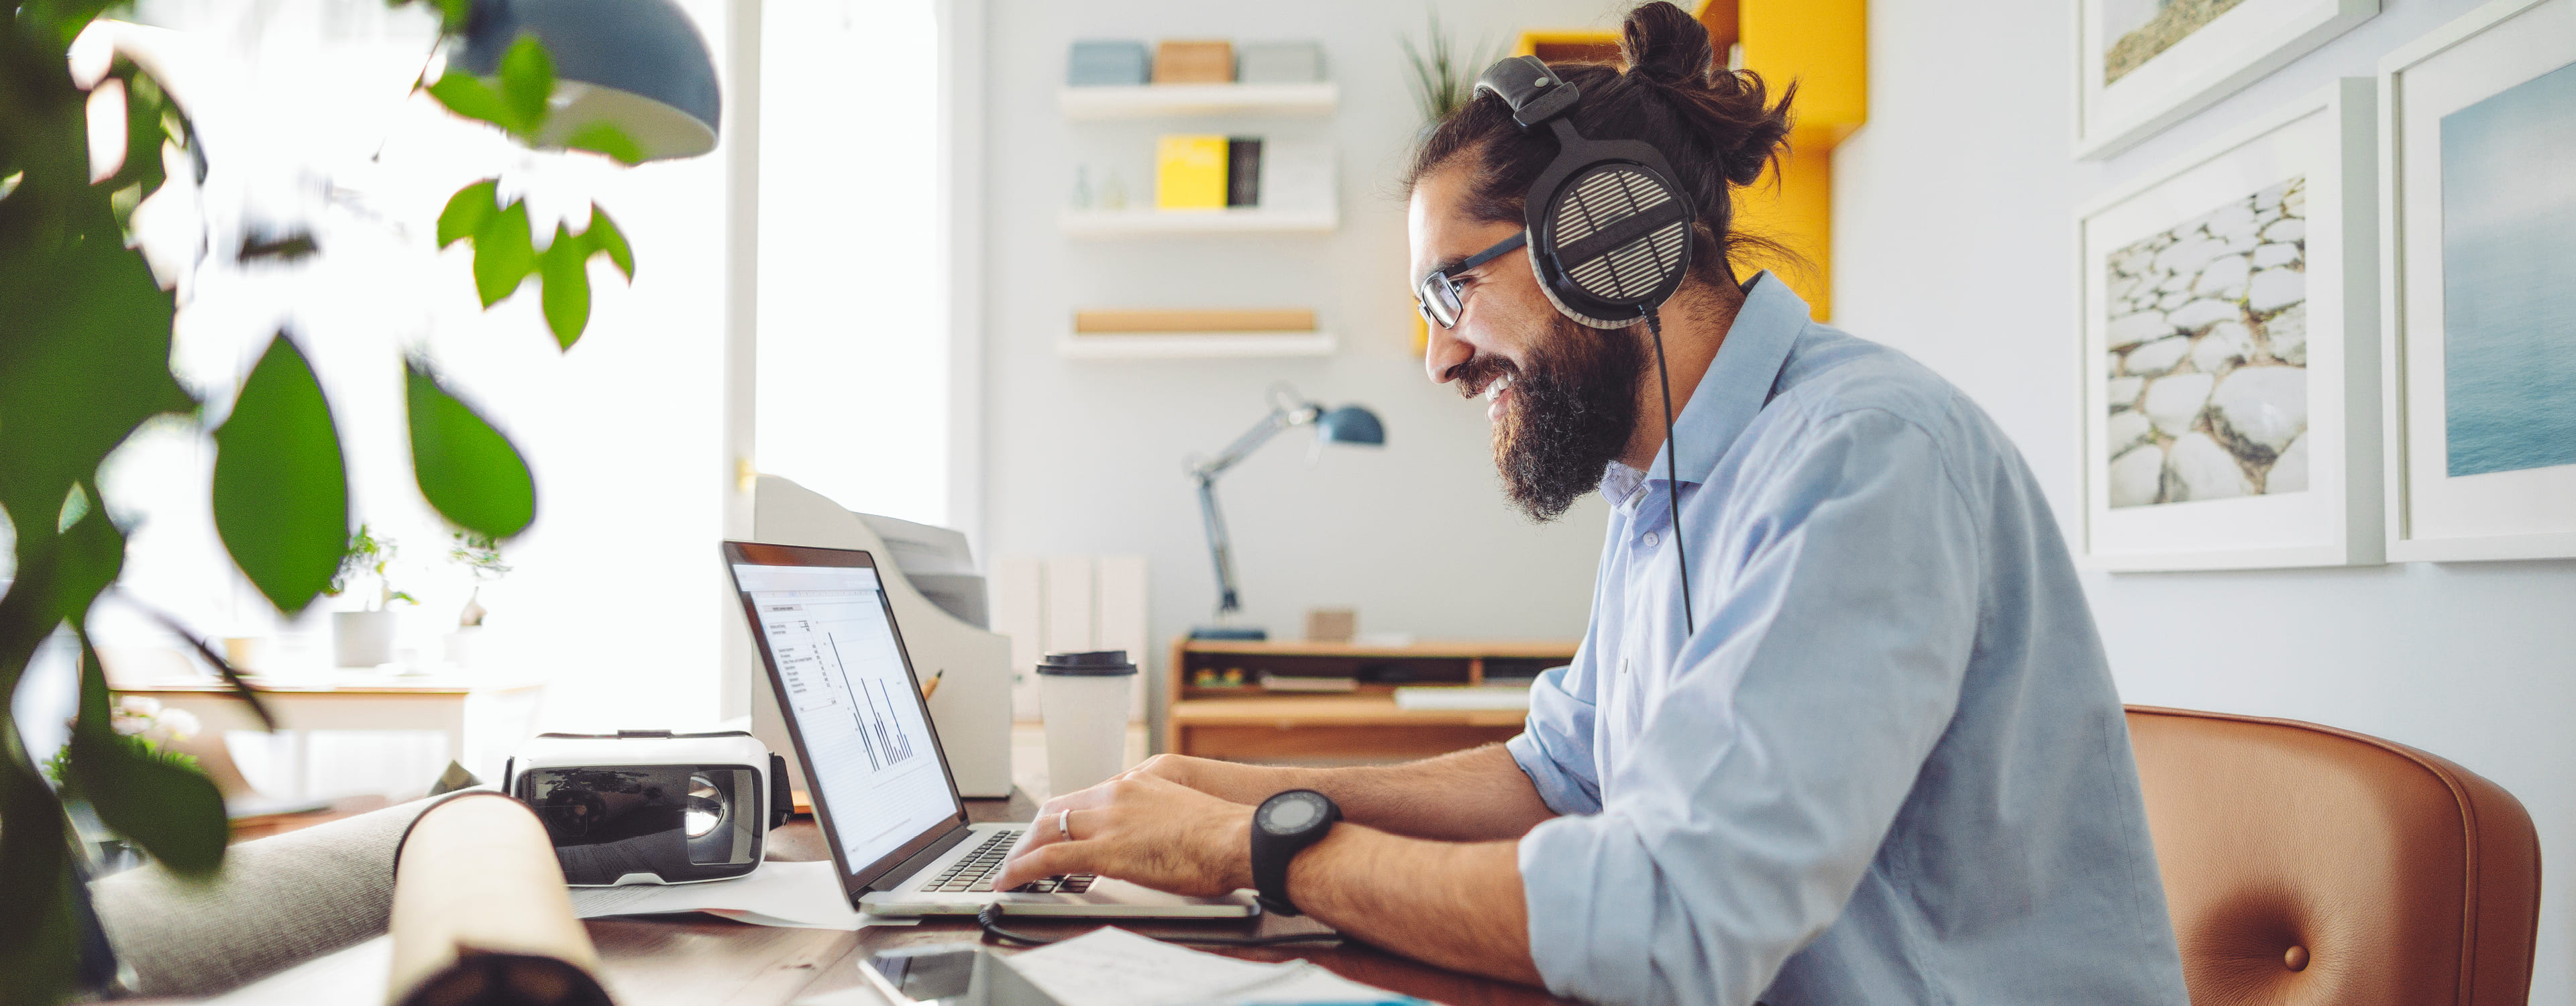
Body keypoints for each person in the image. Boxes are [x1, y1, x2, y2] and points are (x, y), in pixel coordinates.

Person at [994, 5, 2192, 1003]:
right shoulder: (1662, 480)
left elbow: (1675, 924)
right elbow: (1563, 776)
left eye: (1448, 289)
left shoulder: (1860, 460)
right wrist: (1225, 788)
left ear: (1602, 239)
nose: (1440, 360)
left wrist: (1259, 850)